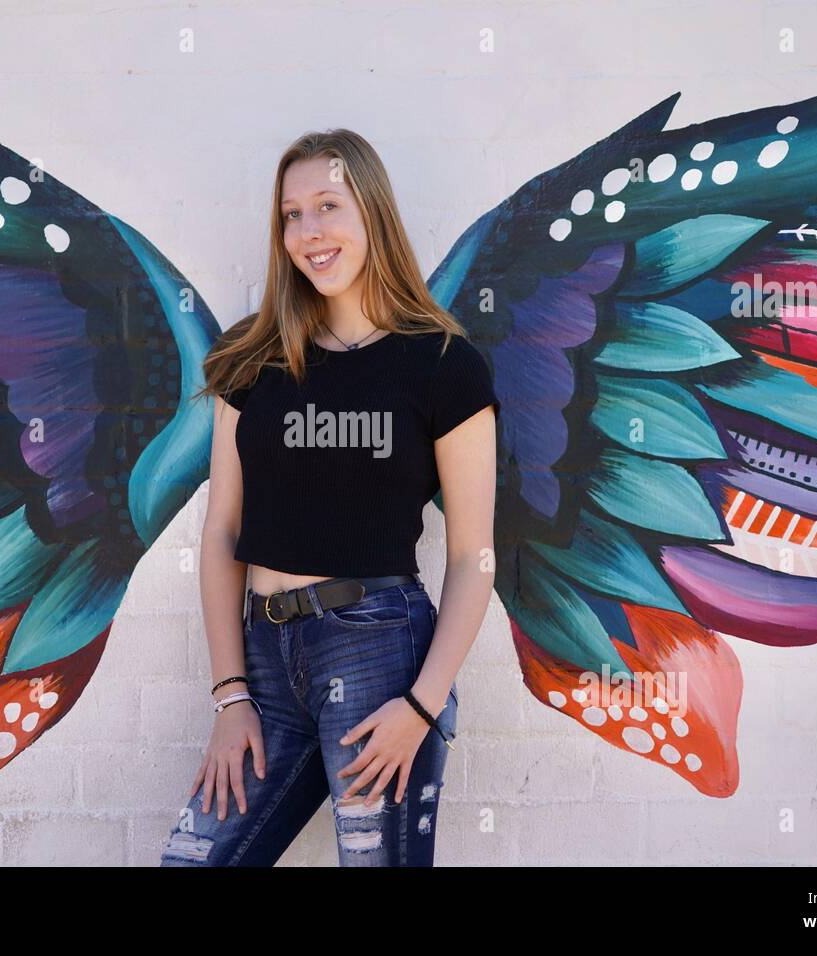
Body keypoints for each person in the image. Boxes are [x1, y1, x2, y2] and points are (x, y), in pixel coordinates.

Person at [160, 129, 499, 867]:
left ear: (371, 212)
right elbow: (223, 532)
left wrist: (423, 705)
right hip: (267, 661)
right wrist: (230, 695)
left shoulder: (444, 366)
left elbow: (475, 556)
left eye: (327, 206)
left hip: (382, 653)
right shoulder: (251, 361)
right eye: (291, 215)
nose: (309, 232)